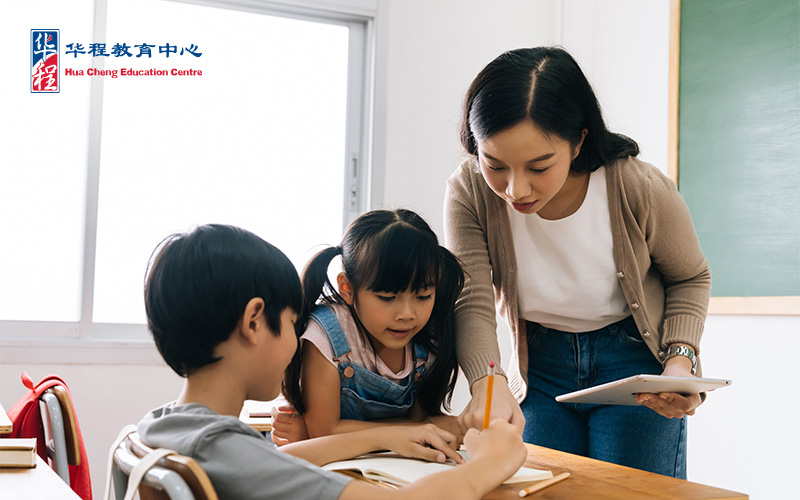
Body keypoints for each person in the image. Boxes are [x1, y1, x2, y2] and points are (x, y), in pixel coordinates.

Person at [444, 46, 711, 478]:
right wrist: (487, 383)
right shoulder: (470, 191)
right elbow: (471, 296)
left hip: (632, 363)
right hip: (539, 368)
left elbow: (690, 277)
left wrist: (679, 361)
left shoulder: (636, 186)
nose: (515, 189)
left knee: (631, 492)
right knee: (543, 488)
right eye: (495, 165)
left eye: (538, 166)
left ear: (579, 140)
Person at [138, 223, 526, 500]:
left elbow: (268, 461)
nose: (298, 340)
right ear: (254, 323)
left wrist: (382, 436)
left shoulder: (165, 427)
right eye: (292, 324)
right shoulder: (220, 449)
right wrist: (488, 464)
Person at [277, 209, 465, 445]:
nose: (407, 315)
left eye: (423, 296)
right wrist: (423, 427)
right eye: (387, 298)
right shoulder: (328, 334)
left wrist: (425, 426)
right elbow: (324, 432)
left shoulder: (430, 337)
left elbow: (417, 422)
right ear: (347, 289)